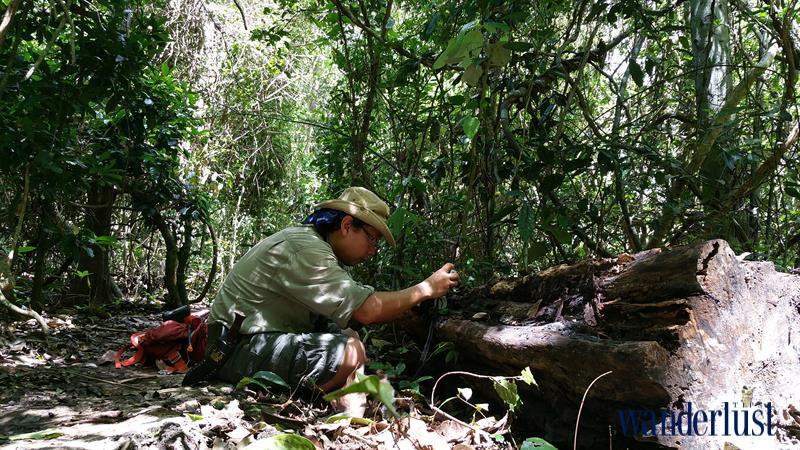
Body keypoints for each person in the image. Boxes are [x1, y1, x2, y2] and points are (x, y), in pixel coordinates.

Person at [200, 187, 459, 409]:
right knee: (351, 350)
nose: (372, 250)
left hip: (245, 343)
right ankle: (328, 400)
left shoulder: (313, 245)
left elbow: (347, 316)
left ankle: (338, 397)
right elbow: (365, 310)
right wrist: (426, 288)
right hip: (232, 350)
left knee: (350, 337)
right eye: (371, 239)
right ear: (347, 226)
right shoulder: (305, 248)